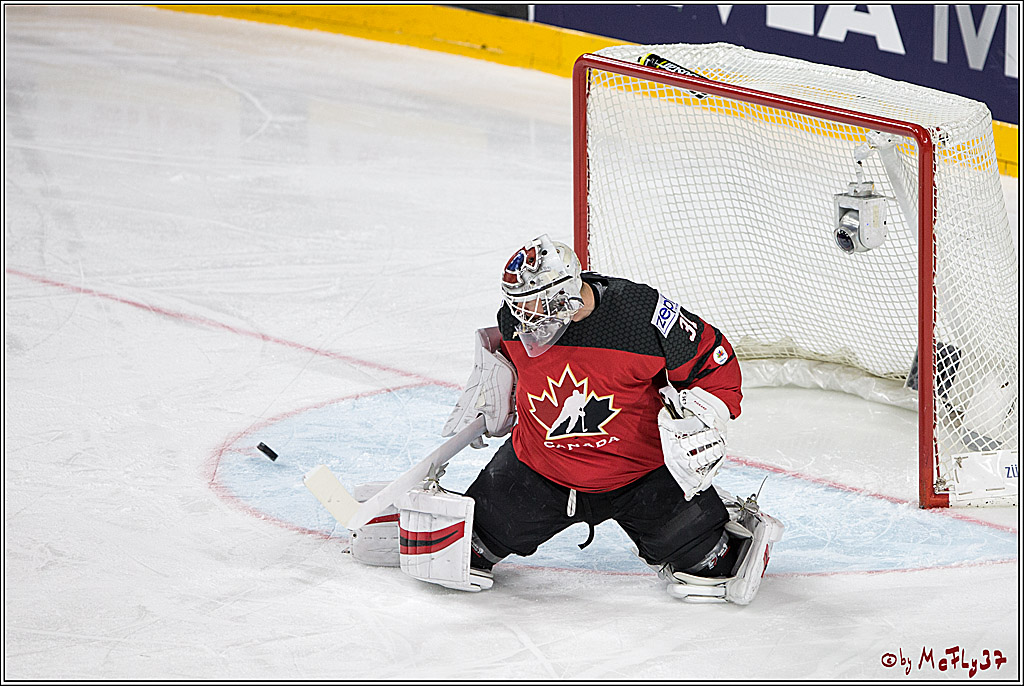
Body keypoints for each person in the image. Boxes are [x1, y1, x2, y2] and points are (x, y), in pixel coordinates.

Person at [361, 234, 783, 604]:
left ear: (568, 294)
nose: (524, 321)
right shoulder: (516, 320)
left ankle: (717, 523)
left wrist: (704, 415)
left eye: (535, 307)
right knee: (460, 556)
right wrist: (492, 382)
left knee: (714, 569)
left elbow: (716, 361)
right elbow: (508, 352)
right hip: (538, 469)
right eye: (517, 308)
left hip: (641, 476)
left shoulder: (641, 316)